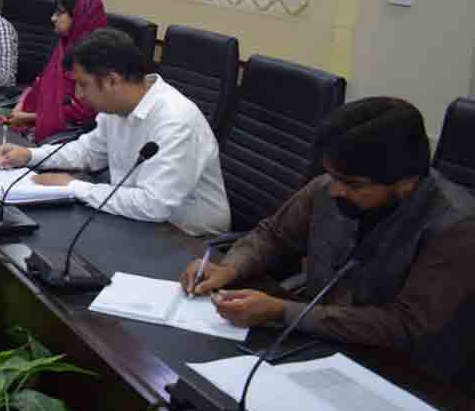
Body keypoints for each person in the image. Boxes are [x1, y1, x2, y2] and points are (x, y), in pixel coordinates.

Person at [179, 97, 475, 384]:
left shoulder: (456, 228)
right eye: (332, 176)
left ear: (406, 182)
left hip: (404, 373)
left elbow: (404, 325)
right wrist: (229, 268)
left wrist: (281, 310)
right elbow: (274, 235)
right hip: (318, 342)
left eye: (352, 184)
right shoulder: (331, 186)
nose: (334, 190)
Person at [0, 28, 228, 236]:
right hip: (134, 218)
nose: (78, 95)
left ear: (111, 81)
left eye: (83, 84)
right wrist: (30, 155)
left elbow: (154, 204)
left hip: (188, 238)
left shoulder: (175, 120)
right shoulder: (117, 107)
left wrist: (73, 186)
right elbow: (88, 151)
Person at [0, 0, 106, 143]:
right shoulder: (63, 45)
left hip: (65, 138)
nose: (53, 18)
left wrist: (27, 118)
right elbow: (41, 82)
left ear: (79, 17)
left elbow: (81, 113)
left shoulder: (95, 58)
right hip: (32, 122)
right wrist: (20, 105)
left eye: (60, 13)